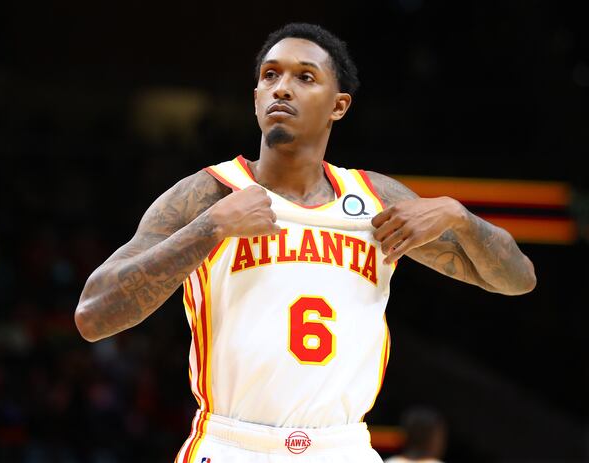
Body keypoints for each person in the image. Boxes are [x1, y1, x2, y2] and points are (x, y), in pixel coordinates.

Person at [74, 22, 536, 463]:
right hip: (234, 443)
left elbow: (518, 281)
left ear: (338, 106)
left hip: (342, 447)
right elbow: (93, 316)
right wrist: (209, 228)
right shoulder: (209, 193)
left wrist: (461, 216)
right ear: (256, 98)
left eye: (304, 77)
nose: (281, 87)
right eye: (270, 75)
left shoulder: (377, 201)